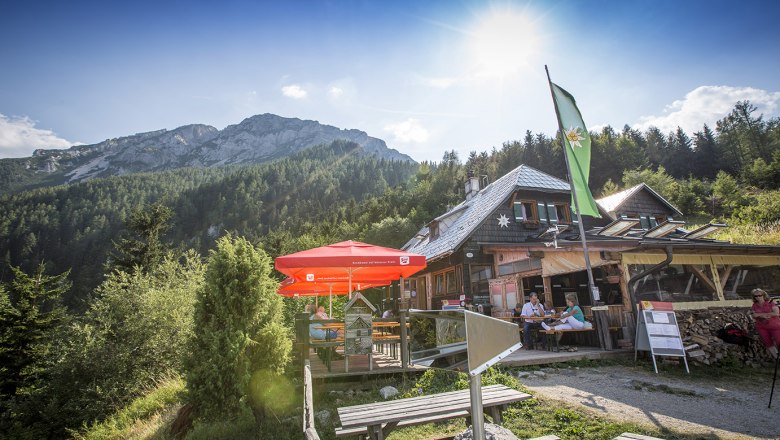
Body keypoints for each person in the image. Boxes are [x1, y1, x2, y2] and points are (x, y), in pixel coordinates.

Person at [750, 288, 780, 358]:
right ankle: (777, 359)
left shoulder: (771, 303)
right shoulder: (754, 305)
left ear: (763, 295)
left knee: (779, 342)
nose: (758, 297)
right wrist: (764, 315)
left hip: (775, 326)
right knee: (768, 343)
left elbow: (776, 313)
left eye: (759, 295)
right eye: (755, 296)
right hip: (762, 327)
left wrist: (760, 314)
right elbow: (754, 315)